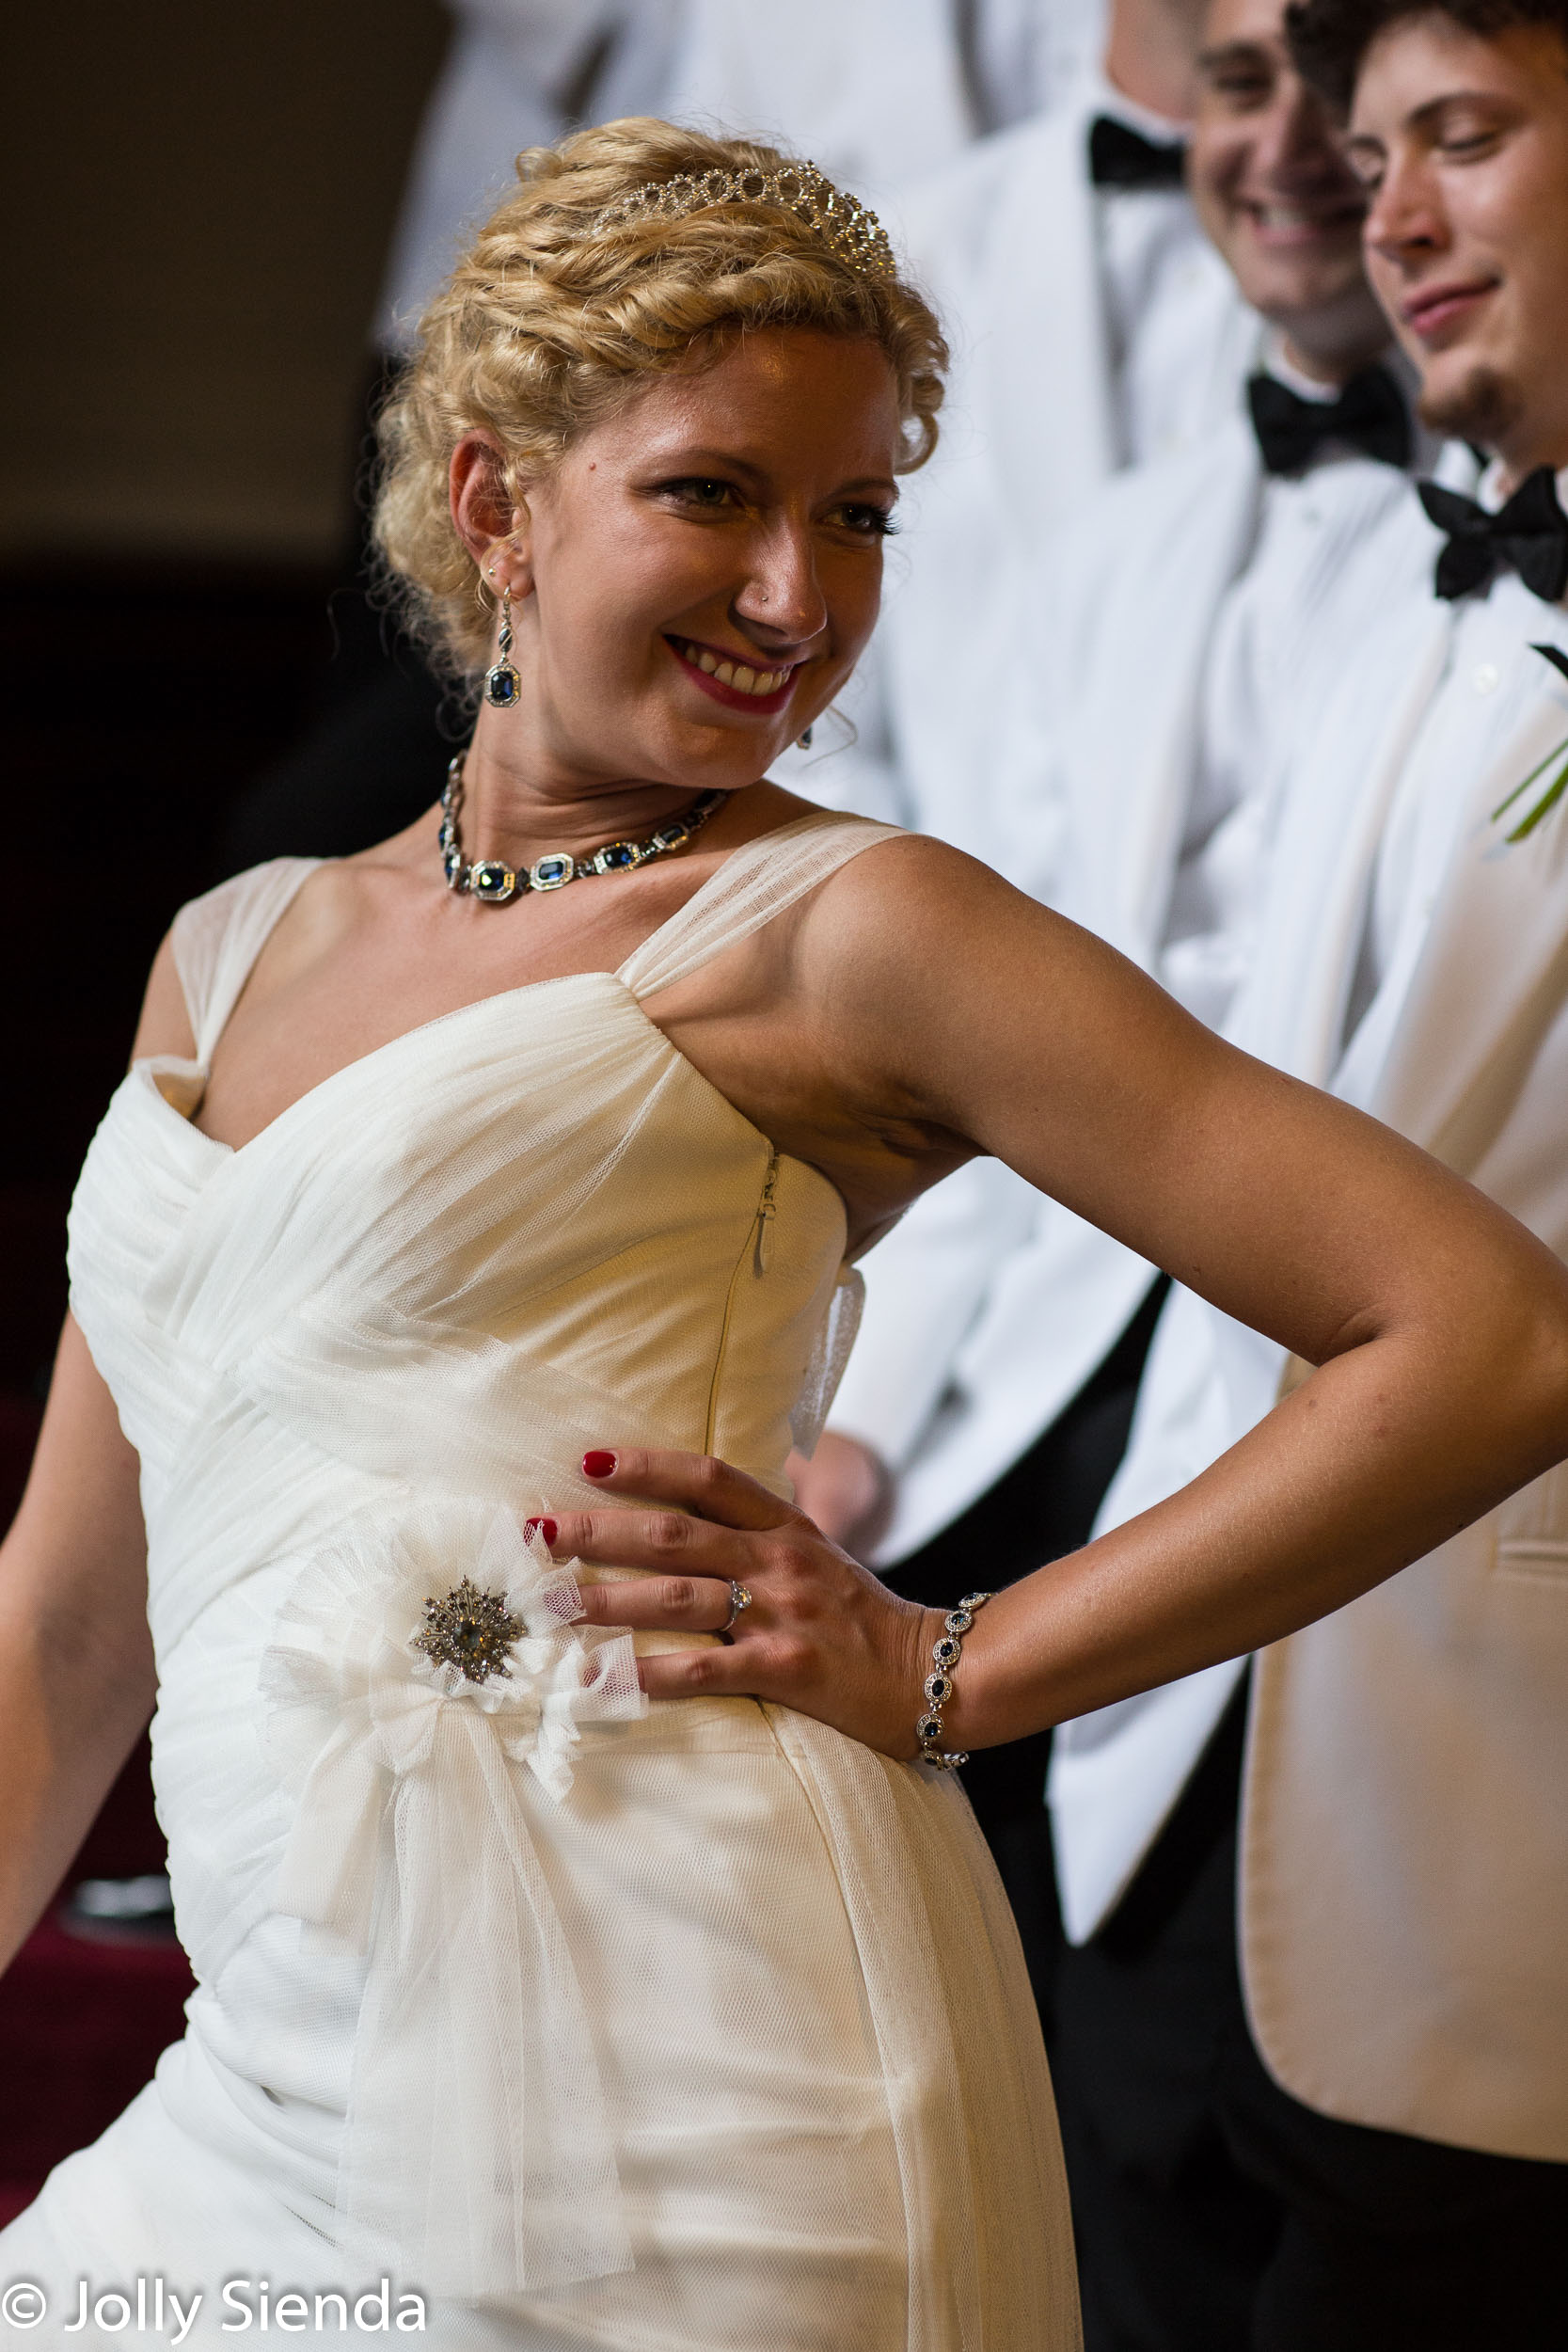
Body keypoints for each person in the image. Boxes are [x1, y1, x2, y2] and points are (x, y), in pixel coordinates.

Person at [3, 116, 1567, 2352]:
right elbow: (64, 1639)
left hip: (698, 2104)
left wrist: (957, 1667)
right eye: (715, 494)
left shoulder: (852, 928)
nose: (797, 600)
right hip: (260, 2089)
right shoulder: (225, 954)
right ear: (495, 502)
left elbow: (1486, 1331)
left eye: (855, 519)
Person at [583, 2, 1568, 2338]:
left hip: (1504, 1792)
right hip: (1204, 1756)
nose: (1382, 207)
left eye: (1460, 141)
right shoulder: (1405, 604)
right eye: (1367, 140)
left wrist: (956, 1663)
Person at [794, 0, 1457, 1999]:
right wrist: (872, 1417)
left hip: (1362, 1387)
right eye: (1243, 88)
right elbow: (1030, 1022)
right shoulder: (1131, 552)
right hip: (1041, 1339)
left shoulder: (1515, 535)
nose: (1299, 155)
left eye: (1353, 105)